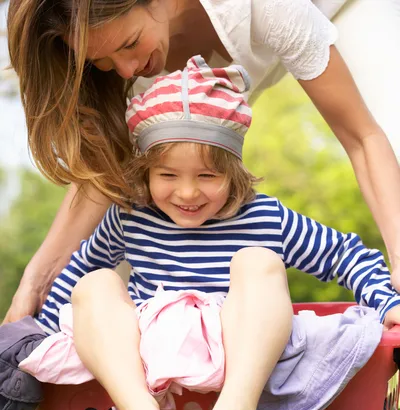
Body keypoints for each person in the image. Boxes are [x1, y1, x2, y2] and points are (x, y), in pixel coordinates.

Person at [0, 58, 398, 410]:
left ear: (233, 172)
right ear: (145, 171)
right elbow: (74, 277)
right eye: (167, 174)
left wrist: (388, 304)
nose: (187, 192)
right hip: (150, 366)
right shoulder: (129, 217)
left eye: (207, 175)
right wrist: (37, 336)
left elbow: (346, 254)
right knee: (94, 283)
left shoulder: (265, 218)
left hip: (240, 355)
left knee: (257, 261)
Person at [4, 0, 400, 324]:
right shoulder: (132, 71)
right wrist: (35, 284)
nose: (124, 71)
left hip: (338, 9)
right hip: (223, 87)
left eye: (129, 44)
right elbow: (103, 175)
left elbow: (363, 138)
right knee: (136, 247)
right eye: (103, 61)